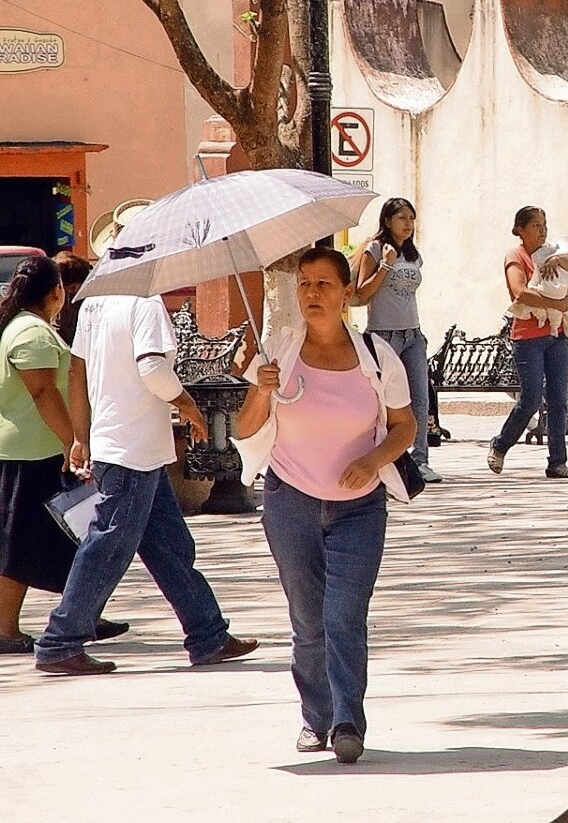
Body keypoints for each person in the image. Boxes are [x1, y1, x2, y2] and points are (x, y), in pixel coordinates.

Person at [235, 246, 416, 765]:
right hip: (289, 502)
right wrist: (261, 391)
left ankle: (347, 722)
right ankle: (316, 716)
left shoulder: (377, 357)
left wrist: (371, 460)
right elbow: (245, 429)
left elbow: (405, 426)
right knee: (308, 620)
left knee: (344, 615)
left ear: (346, 294)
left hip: (360, 508)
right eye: (305, 284)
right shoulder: (277, 353)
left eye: (324, 284)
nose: (312, 293)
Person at [33, 291, 259, 675]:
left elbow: (76, 373)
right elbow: (152, 368)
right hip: (133, 450)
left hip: (127, 447)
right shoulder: (146, 303)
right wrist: (187, 404)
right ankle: (60, 640)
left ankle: (208, 635)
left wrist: (81, 436)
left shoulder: (94, 303)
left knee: (169, 547)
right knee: (108, 546)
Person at [0, 257, 124, 654]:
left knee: (72, 535)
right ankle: (5, 629)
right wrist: (72, 440)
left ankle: (82, 613)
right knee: (19, 543)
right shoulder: (32, 332)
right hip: (33, 452)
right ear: (56, 292)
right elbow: (42, 391)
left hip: (36, 449)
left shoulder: (22, 326)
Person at [487, 206, 568, 479]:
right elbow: (519, 292)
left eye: (544, 225)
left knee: (558, 399)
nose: (542, 231)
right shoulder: (516, 256)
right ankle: (501, 444)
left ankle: (557, 462)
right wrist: (556, 303)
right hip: (528, 337)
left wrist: (559, 261)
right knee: (531, 398)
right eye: (535, 226)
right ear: (520, 229)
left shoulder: (551, 251)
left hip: (556, 335)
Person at [354, 197, 441, 485]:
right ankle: (383, 458)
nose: (408, 224)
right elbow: (362, 293)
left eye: (411, 218)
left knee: (419, 398)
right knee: (382, 400)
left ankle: (420, 460)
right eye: (402, 218)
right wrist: (385, 266)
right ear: (387, 220)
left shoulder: (414, 254)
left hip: (412, 335)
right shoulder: (375, 249)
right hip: (384, 336)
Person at [51, 251, 92, 345]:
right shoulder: (63, 295)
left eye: (72, 288)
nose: (69, 292)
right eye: (65, 289)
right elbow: (59, 326)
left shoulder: (92, 295)